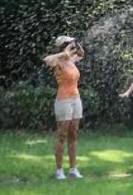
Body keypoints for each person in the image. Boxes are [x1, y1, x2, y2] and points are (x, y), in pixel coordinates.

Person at [43, 36, 84, 179]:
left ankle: (73, 169)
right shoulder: (58, 61)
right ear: (63, 47)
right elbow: (46, 60)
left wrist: (77, 47)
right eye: (70, 45)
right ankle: (59, 170)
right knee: (62, 135)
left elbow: (81, 55)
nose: (73, 48)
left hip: (76, 99)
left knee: (73, 135)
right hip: (63, 101)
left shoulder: (71, 60)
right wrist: (63, 54)